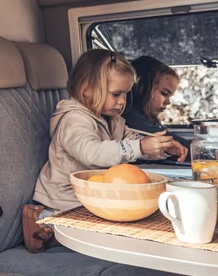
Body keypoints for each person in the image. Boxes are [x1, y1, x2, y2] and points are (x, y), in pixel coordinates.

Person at [20, 49, 186, 252]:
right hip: (64, 199)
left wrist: (160, 147)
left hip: (91, 195)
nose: (122, 101)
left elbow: (130, 139)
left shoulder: (111, 119)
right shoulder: (74, 119)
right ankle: (44, 223)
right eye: (116, 94)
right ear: (86, 89)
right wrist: (140, 147)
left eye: (125, 94)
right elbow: (92, 154)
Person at [122, 55, 186, 144]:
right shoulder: (128, 117)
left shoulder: (148, 117)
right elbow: (164, 140)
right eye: (164, 93)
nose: (168, 102)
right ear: (142, 88)